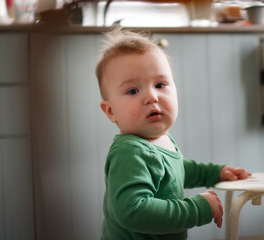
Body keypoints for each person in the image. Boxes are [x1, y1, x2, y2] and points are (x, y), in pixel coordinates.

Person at [96, 27, 251, 240]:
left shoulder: (159, 141)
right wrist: (196, 209)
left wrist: (214, 173)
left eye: (160, 85)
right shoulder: (129, 153)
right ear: (111, 111)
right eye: (133, 91)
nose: (152, 96)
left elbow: (175, 172)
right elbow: (132, 211)